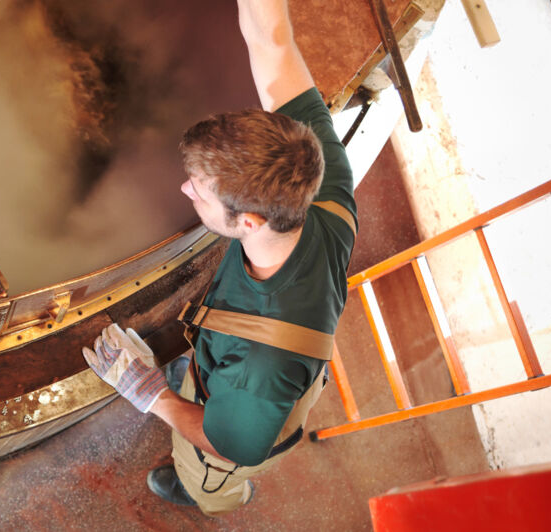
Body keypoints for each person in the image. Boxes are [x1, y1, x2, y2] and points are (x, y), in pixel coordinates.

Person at [81, 0, 357, 516]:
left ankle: (211, 495)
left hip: (234, 438)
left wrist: (152, 395)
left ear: (249, 221)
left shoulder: (258, 366)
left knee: (210, 473)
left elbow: (230, 443)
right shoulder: (316, 178)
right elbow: (272, 40)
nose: (186, 188)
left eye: (201, 192)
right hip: (275, 372)